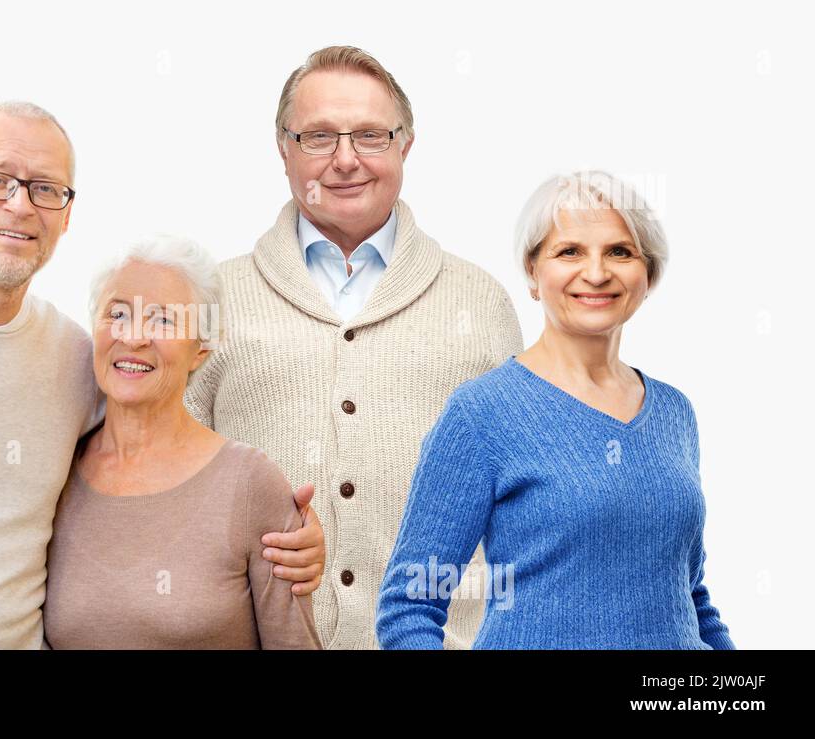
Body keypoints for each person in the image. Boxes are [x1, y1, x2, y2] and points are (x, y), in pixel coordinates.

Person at [0, 101, 325, 649]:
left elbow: (167, 462)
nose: (19, 205)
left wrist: (291, 537)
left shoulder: (75, 359)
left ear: (66, 216)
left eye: (45, 189)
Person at [184, 46, 522, 649]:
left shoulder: (481, 302)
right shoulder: (213, 298)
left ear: (405, 147)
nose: (345, 160)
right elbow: (168, 489)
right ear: (283, 148)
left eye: (370, 135)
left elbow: (524, 516)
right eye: (318, 137)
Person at [375, 170, 735, 649]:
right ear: (532, 272)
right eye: (570, 252)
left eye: (619, 252)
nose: (597, 272)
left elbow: (688, 594)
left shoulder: (673, 411)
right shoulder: (482, 414)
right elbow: (410, 606)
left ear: (647, 275)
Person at [43, 236, 321, 649]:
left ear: (201, 349)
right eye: (118, 314)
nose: (134, 338)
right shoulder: (56, 473)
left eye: (163, 320)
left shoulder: (249, 483)